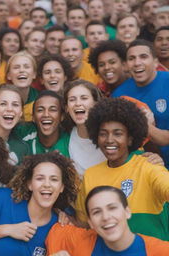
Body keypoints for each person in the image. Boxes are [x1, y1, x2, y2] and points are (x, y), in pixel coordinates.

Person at [75, 98, 169, 241]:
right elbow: (83, 225)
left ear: (130, 138)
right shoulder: (90, 175)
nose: (109, 140)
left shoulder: (149, 165)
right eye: (103, 133)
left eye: (118, 133)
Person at [0, 151, 78, 256]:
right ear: (30, 184)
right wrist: (7, 229)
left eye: (54, 179)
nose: (47, 184)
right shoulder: (4, 198)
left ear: (62, 187)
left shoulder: (59, 227)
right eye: (40, 178)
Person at [47, 186, 169, 255]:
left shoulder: (161, 251)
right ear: (90, 222)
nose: (106, 217)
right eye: (97, 212)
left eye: (112, 208)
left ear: (127, 211)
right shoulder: (80, 241)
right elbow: (52, 230)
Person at [112, 39, 169, 168]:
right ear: (126, 65)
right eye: (131, 58)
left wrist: (144, 125)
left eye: (143, 57)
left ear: (155, 62)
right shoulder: (119, 95)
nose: (137, 63)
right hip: (145, 167)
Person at [63, 79, 106, 177]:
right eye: (72, 99)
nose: (78, 103)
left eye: (84, 98)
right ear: (66, 108)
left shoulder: (110, 134)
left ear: (95, 103)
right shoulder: (64, 139)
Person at [15, 90, 70, 156]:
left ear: (62, 116)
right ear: (33, 117)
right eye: (40, 110)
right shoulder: (23, 134)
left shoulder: (70, 141)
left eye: (53, 110)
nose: (46, 115)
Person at [6, 51, 39, 121]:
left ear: (34, 74)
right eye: (16, 67)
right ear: (8, 75)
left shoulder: (41, 99)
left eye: (26, 67)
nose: (21, 70)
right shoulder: (0, 99)